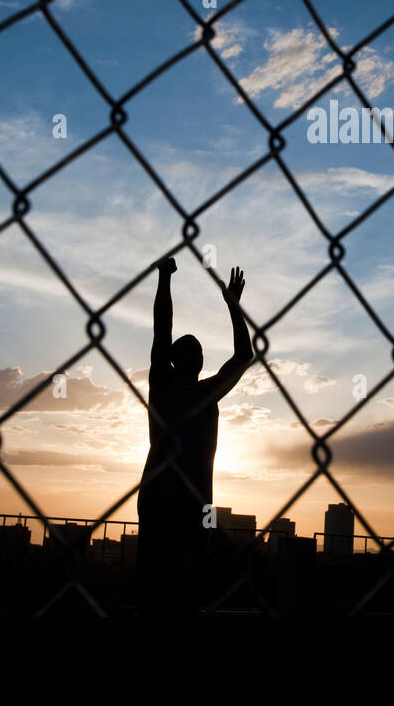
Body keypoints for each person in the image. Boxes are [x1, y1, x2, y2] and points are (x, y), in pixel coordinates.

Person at [137, 257, 252, 615]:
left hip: (197, 502)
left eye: (200, 349)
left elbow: (244, 356)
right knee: (157, 586)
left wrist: (234, 307)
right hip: (160, 497)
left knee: (189, 587)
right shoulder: (164, 385)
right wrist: (164, 278)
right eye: (190, 348)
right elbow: (162, 328)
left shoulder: (208, 393)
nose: (197, 353)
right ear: (174, 358)